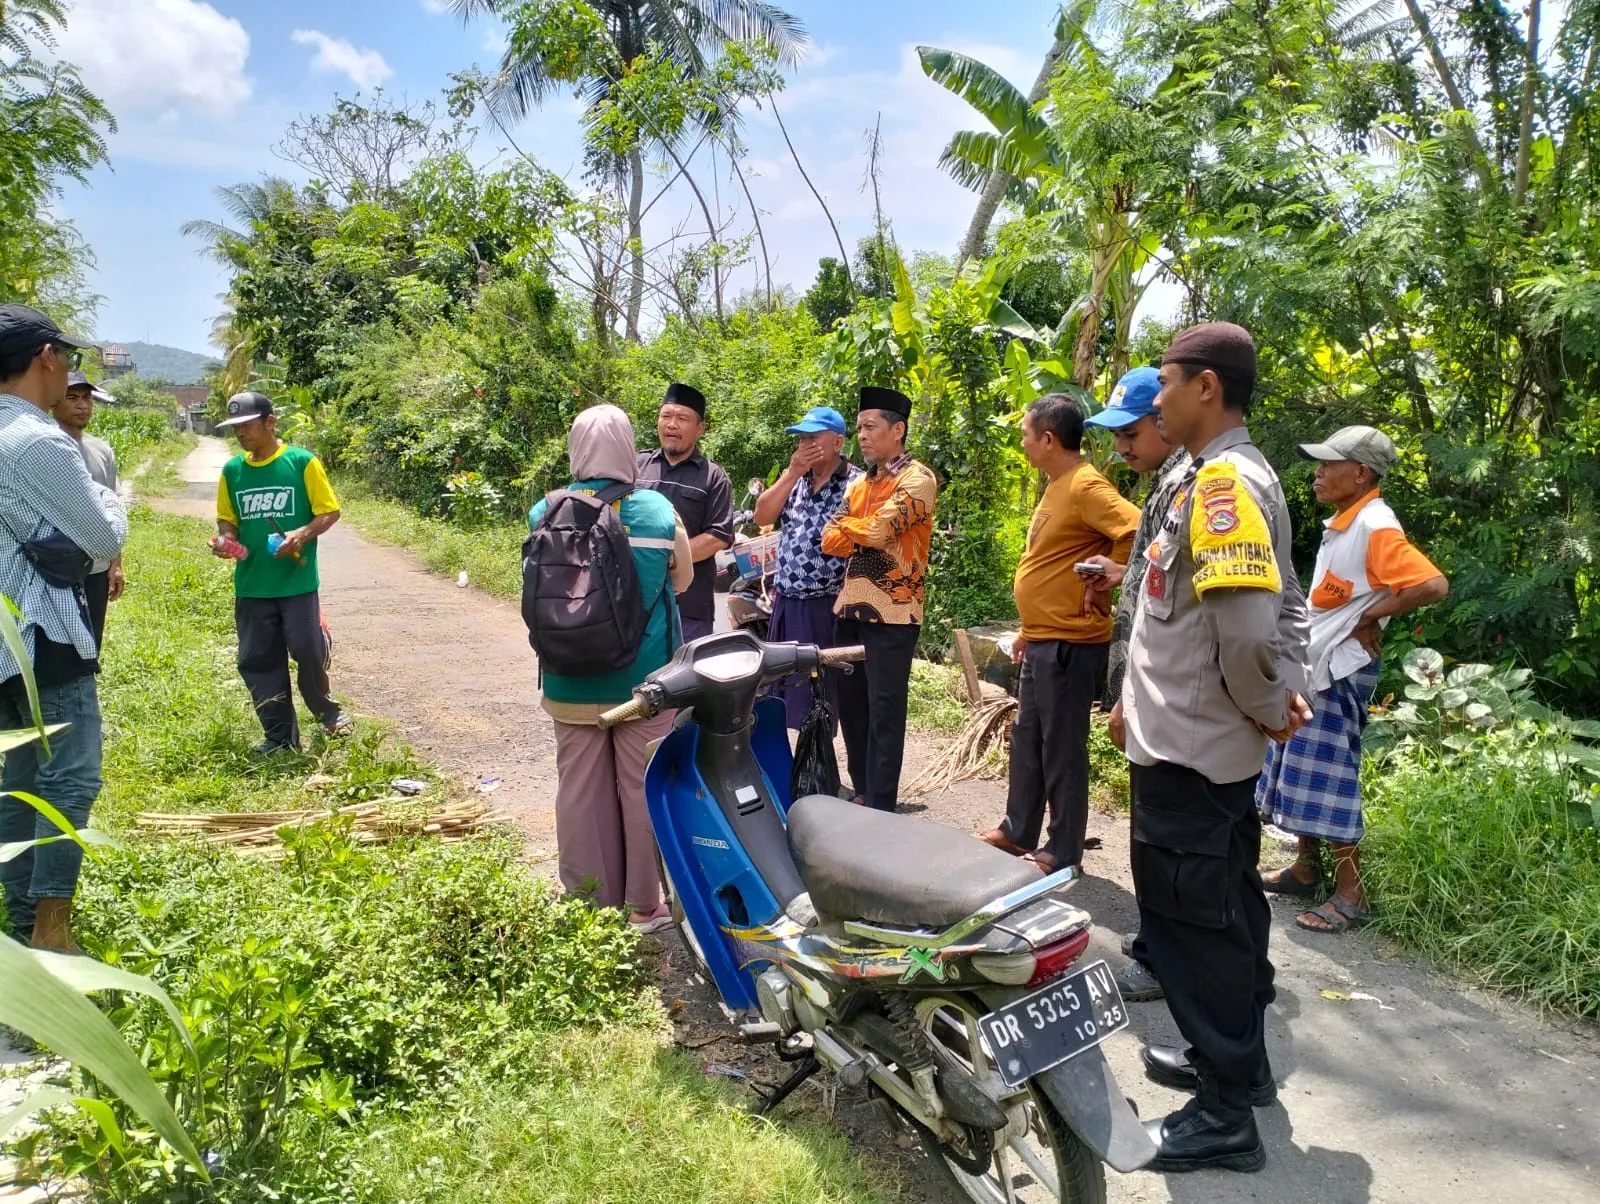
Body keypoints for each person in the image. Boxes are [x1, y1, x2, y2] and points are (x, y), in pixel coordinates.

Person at [1117, 322, 1311, 1173]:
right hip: (1195, 741)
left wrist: (1272, 703)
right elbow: (1290, 604)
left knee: (1194, 925)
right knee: (1227, 909)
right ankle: (1238, 1065)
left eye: (1165, 381)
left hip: (1193, 751)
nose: (1155, 398)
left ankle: (1226, 1113)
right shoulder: (1213, 475)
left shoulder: (1226, 484)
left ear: (1205, 387)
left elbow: (1245, 630)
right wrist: (1277, 694)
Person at [1258, 425, 1447, 933]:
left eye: (1329, 464)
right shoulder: (1349, 521)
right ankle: (1305, 868)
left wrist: (1369, 618)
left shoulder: (1375, 523)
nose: (1318, 472)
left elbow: (1431, 583)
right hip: (1322, 662)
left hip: (1342, 668)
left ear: (1360, 472)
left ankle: (1352, 894)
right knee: (1299, 763)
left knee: (1331, 775)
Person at [532, 404, 693, 929]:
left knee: (578, 789)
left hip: (567, 678)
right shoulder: (659, 511)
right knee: (639, 786)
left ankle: (587, 902)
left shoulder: (543, 513)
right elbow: (685, 583)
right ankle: (644, 905)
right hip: (643, 687)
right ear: (628, 448)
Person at [0, 304, 128, 952]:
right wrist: (108, 496)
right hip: (44, 635)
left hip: (3, 641)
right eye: (69, 359)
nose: (72, 374)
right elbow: (102, 539)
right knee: (69, 775)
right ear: (46, 356)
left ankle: (22, 926)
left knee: (15, 778)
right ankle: (50, 929)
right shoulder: (37, 439)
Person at [975, 393, 1138, 874]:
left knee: (1062, 748)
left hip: (1071, 642)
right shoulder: (1056, 484)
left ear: (1048, 439)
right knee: (1028, 738)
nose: (1023, 444)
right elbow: (1049, 563)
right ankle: (1018, 828)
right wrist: (1028, 628)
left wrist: (1115, 574)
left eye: (1026, 435)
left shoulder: (1086, 485)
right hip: (1043, 637)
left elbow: (1135, 529)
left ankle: (1064, 849)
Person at [1079, 365, 1189, 1002]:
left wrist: (1132, 696)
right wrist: (1117, 572)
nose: (1122, 444)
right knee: (1155, 835)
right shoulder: (1164, 486)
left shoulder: (1193, 486)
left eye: (1132, 429)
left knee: (1163, 841)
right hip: (1148, 696)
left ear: (1168, 420)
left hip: (1166, 702)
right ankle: (1158, 950)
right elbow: (1159, 584)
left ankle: (1160, 962)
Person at [212, 391, 350, 754]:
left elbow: (329, 512)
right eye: (235, 427)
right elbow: (228, 520)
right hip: (252, 585)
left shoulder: (302, 463)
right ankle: (280, 738)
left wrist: (301, 534)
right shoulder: (233, 471)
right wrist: (227, 540)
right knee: (259, 662)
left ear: (270, 422)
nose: (241, 433)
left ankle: (327, 710)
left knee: (307, 651)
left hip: (297, 583)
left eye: (247, 425)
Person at [822, 386, 937, 812]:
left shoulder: (918, 480)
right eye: (859, 429)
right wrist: (862, 526)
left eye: (871, 428)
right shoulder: (861, 485)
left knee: (885, 710)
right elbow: (828, 540)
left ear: (898, 430)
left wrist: (856, 526)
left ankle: (883, 803)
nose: (863, 437)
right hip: (849, 607)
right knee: (852, 709)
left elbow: (876, 533)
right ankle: (863, 789)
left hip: (894, 611)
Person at [752, 405, 861, 729]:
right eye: (801, 439)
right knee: (781, 697)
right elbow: (761, 516)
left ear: (838, 442)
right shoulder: (795, 481)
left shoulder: (856, 483)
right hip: (786, 601)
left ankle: (818, 774)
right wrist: (790, 474)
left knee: (819, 699)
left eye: (813, 438)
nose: (804, 446)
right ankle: (789, 772)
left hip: (824, 606)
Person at [635, 382, 733, 643]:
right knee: (638, 681)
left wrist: (668, 559)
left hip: (689, 608)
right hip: (636, 601)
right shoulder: (636, 467)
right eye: (666, 416)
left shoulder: (713, 477)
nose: (672, 424)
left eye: (682, 418)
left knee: (684, 681)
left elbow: (718, 536)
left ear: (699, 429)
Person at [54, 370, 124, 651]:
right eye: (72, 398)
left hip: (96, 565)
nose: (82, 405)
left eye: (86, 398)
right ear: (54, 401)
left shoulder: (101, 450)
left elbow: (112, 508)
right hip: (58, 565)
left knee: (92, 640)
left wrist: (115, 563)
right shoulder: (47, 445)